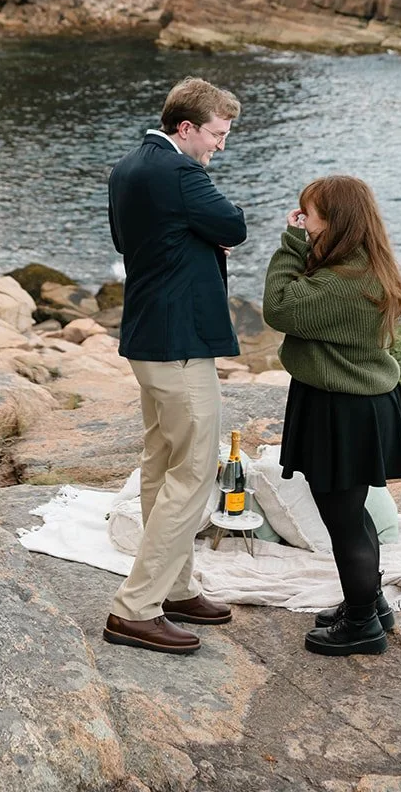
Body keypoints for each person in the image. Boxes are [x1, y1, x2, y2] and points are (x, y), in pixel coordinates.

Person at [103, 76, 247, 656]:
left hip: (145, 336)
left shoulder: (127, 167)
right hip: (180, 342)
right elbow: (233, 224)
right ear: (185, 127)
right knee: (193, 470)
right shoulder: (183, 173)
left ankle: (177, 586)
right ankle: (135, 609)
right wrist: (211, 233)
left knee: (161, 464)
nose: (220, 146)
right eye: (216, 134)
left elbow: (125, 241)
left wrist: (195, 235)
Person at [262, 176, 401, 657]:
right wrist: (307, 240)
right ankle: (367, 604)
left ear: (337, 221)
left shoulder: (344, 283)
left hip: (342, 408)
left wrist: (290, 243)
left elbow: (279, 308)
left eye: (309, 214)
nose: (303, 221)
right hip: (356, 403)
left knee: (342, 520)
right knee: (352, 513)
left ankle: (361, 627)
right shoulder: (362, 265)